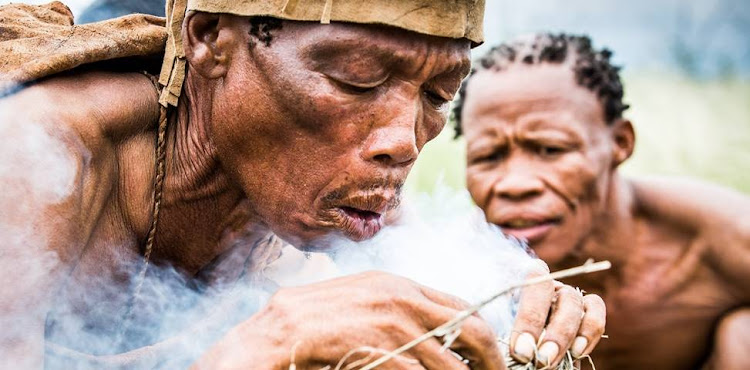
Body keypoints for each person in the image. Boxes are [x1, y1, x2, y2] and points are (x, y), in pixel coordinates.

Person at [0, 2, 606, 369]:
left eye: (437, 95)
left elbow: (442, 286)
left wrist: (500, 299)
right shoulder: (34, 160)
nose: (403, 140)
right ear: (211, 37)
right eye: (356, 79)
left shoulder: (334, 197)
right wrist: (266, 346)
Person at [454, 33, 750, 369]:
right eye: (488, 156)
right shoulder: (454, 264)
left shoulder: (722, 240)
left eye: (551, 149)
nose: (515, 184)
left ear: (620, 143)